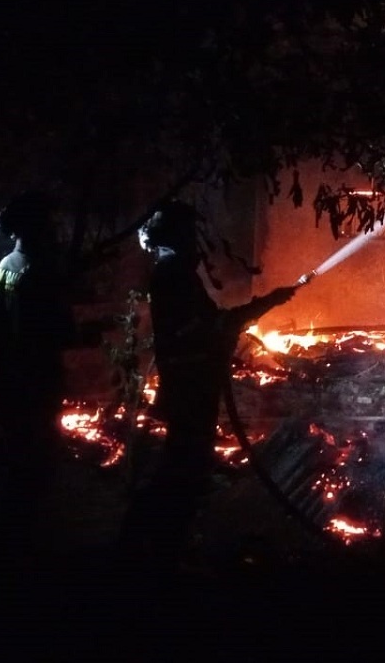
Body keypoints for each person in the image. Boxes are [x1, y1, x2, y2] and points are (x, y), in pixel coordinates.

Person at [119, 199, 299, 574]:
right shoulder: (174, 275)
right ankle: (153, 547)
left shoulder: (173, 272)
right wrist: (264, 304)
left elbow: (207, 324)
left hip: (190, 382)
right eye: (189, 231)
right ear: (176, 235)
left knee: (184, 462)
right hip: (189, 385)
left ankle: (154, 542)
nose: (194, 239)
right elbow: (209, 327)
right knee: (183, 466)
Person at [0, 190, 76, 559]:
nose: (55, 230)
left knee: (15, 462)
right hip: (36, 378)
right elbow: (54, 331)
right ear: (37, 225)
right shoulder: (39, 271)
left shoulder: (5, 264)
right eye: (49, 222)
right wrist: (94, 331)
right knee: (37, 465)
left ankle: (10, 543)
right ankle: (28, 553)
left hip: (10, 375)